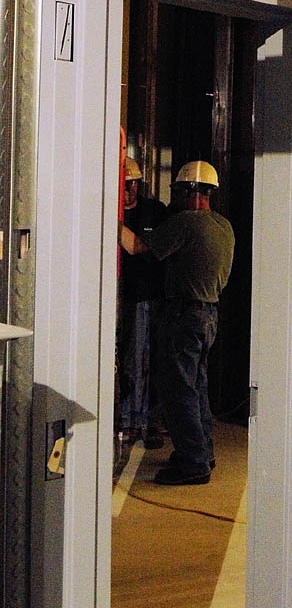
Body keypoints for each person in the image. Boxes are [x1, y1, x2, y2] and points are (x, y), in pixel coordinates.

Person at [119, 160, 235, 485]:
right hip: (210, 314)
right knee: (197, 387)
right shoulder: (223, 226)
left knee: (178, 391)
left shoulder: (185, 223)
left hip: (184, 316)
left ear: (187, 192)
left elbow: (135, 246)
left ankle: (193, 463)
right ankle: (201, 451)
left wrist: (107, 216)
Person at [118, 156, 167, 448]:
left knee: (150, 361)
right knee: (130, 361)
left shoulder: (153, 212)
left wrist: (115, 222)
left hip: (150, 296)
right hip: (126, 297)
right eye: (124, 184)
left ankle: (146, 422)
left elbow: (138, 248)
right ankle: (130, 420)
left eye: (131, 184)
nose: (128, 190)